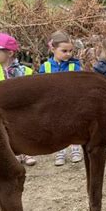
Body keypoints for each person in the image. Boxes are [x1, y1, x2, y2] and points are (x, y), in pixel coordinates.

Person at [0, 33, 36, 166]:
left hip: (21, 108)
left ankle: (27, 152)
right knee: (7, 132)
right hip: (1, 108)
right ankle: (14, 155)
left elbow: (31, 90)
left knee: (24, 129)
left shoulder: (24, 70)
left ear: (10, 53)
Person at [39, 30, 82, 166]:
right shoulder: (45, 66)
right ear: (53, 49)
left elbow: (80, 84)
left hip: (71, 102)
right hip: (53, 104)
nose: (68, 54)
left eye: (70, 51)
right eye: (64, 51)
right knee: (57, 128)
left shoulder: (74, 65)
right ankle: (60, 152)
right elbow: (41, 86)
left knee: (74, 126)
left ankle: (76, 150)